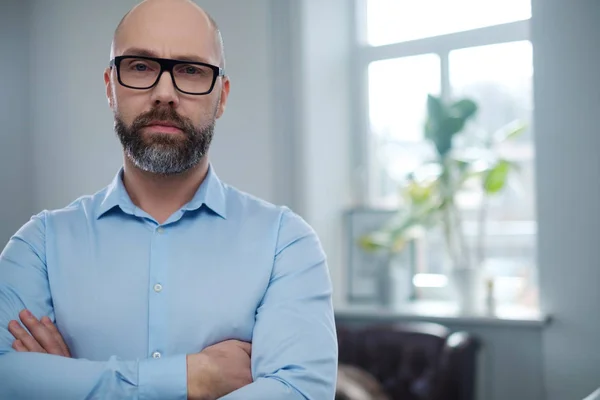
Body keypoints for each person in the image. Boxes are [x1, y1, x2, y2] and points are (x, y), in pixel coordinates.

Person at [0, 0, 338, 398]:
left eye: (191, 70)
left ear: (222, 96)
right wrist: (193, 377)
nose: (165, 93)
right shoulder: (39, 244)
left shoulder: (286, 243)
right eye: (141, 67)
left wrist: (73, 384)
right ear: (110, 86)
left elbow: (300, 392)